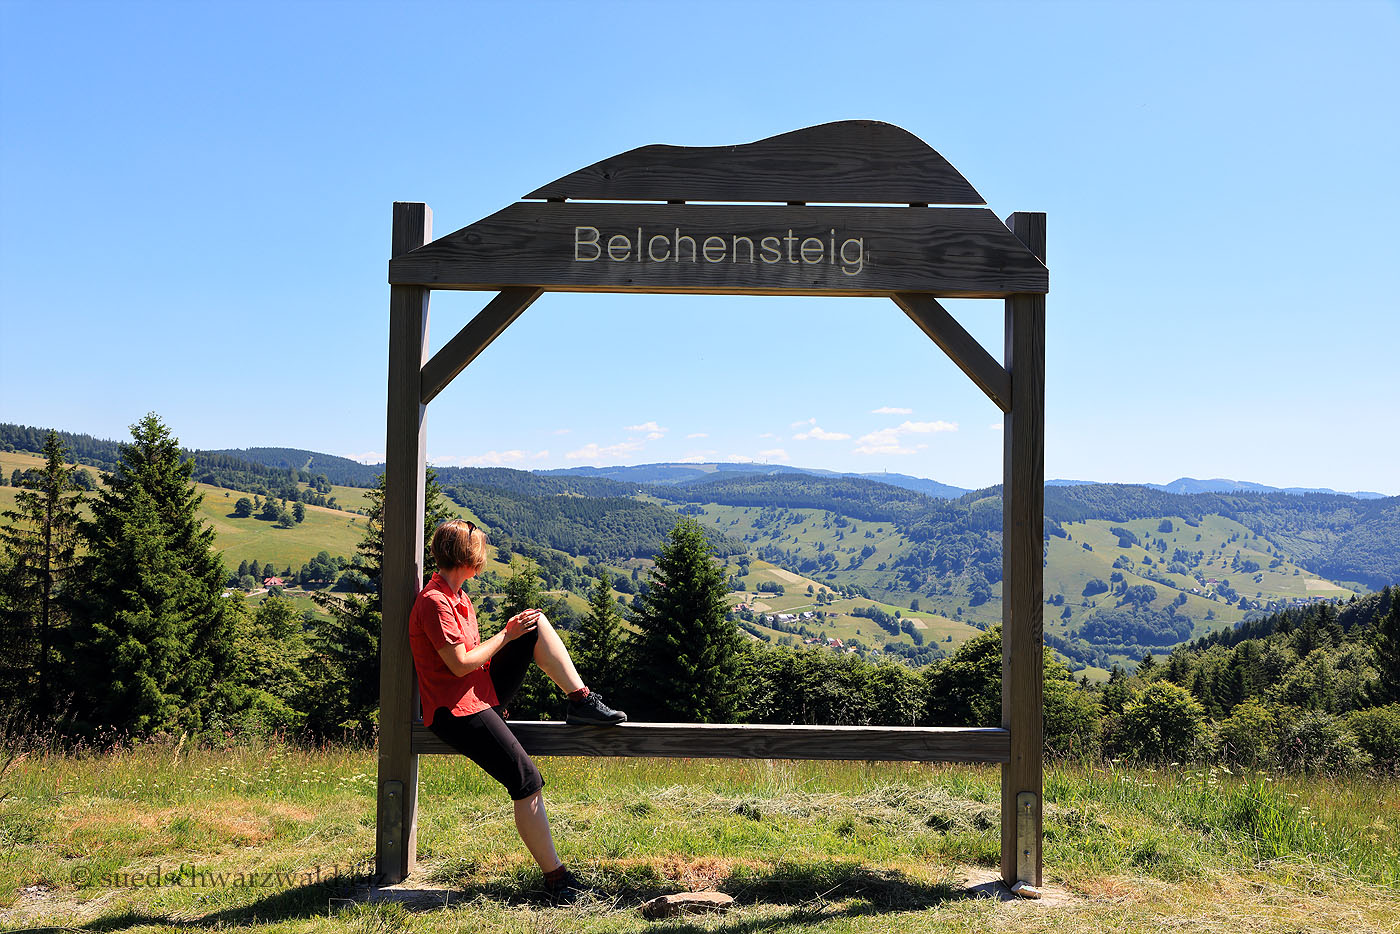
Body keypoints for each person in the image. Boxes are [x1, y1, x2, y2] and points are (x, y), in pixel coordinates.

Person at [409, 518, 626, 902]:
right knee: (526, 780)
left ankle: (581, 701)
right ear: (469, 556)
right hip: (456, 710)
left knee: (535, 624)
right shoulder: (435, 602)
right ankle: (557, 880)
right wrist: (506, 634)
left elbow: (473, 663)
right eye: (481, 550)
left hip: (478, 692)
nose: (485, 557)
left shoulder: (458, 597)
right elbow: (460, 664)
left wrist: (514, 635)